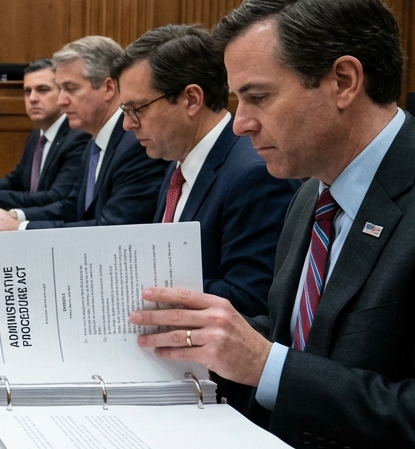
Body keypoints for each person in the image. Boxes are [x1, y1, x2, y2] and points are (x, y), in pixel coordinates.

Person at [132, 0, 415, 449]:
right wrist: (189, 346)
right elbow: (293, 333)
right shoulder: (311, 193)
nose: (241, 122)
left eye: (258, 97)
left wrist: (262, 362)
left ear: (344, 81)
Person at [115, 25, 298, 318]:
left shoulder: (253, 175)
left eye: (138, 108)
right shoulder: (179, 162)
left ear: (191, 99)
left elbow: (251, 301)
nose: (128, 124)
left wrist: (135, 283)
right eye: (125, 110)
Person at [0, 36, 167, 231]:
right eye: (61, 89)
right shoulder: (95, 141)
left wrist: (21, 228)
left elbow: (113, 228)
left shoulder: (136, 144)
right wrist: (15, 215)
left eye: (70, 89)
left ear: (108, 88)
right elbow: (72, 206)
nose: (61, 101)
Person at [0, 59, 89, 210]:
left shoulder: (77, 137)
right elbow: (16, 181)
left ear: (62, 94)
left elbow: (56, 198)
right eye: (27, 91)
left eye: (43, 90)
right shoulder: (37, 135)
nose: (32, 98)